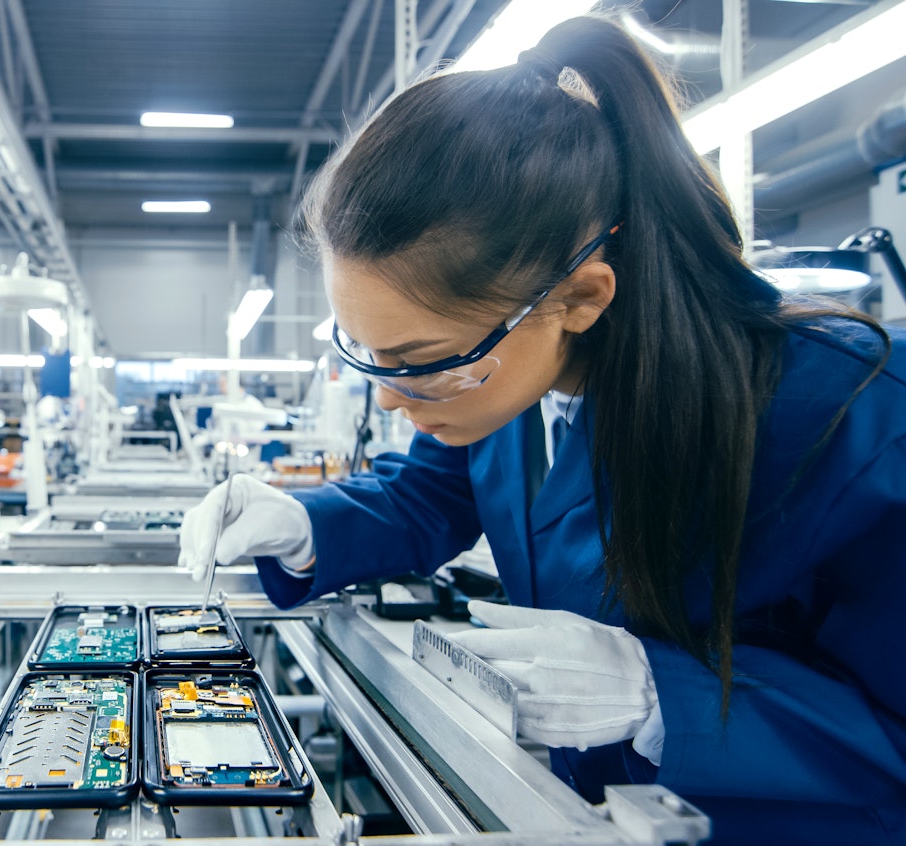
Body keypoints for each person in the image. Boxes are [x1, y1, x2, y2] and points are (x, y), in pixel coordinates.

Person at [180, 16, 905, 845]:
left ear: (583, 297)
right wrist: (304, 524)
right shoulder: (506, 379)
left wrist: (666, 696)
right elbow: (428, 493)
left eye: (419, 360)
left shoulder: (853, 412)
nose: (388, 399)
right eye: (368, 354)